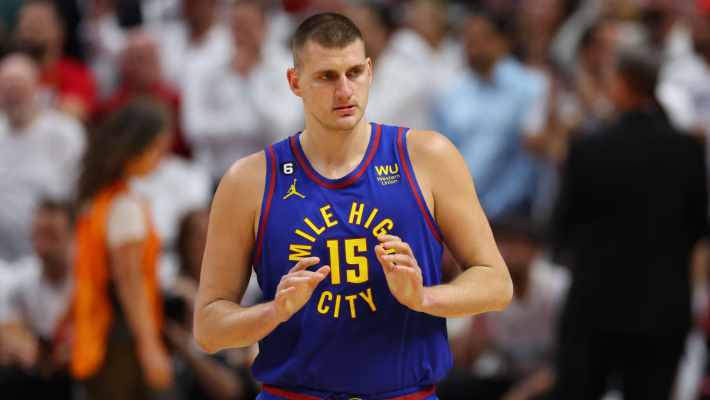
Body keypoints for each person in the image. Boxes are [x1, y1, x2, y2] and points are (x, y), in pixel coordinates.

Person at [193, 12, 513, 400]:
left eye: (354, 72)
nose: (344, 90)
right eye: (327, 76)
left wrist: (425, 297)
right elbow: (208, 329)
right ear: (295, 82)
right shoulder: (248, 180)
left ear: (370, 71)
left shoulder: (429, 156)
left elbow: (496, 283)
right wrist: (273, 311)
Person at [551, 46, 708, 400]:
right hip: (662, 307)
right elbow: (699, 227)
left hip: (594, 304)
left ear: (623, 84)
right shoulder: (688, 150)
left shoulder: (589, 148)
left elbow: (562, 228)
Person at [70, 100, 176, 400]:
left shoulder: (99, 199)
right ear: (136, 147)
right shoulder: (124, 206)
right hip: (121, 335)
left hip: (100, 329)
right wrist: (149, 345)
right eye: (157, 147)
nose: (161, 156)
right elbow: (129, 281)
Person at [435, 9, 549, 221]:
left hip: (511, 215)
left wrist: (492, 207)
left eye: (481, 36)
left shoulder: (531, 87)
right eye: (468, 37)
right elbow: (441, 155)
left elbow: (528, 159)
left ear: (504, 40)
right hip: (458, 212)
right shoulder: (452, 92)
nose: (472, 44)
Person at [0, 53, 86, 263]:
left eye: (19, 86)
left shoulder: (66, 133)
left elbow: (81, 195)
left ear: (37, 87)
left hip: (57, 257)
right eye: (7, 88)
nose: (14, 95)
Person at [0, 201, 75, 400]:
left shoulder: (86, 278)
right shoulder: (24, 277)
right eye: (38, 232)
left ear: (71, 234)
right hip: (39, 365)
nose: (44, 241)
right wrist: (19, 344)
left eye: (51, 233)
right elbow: (8, 323)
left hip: (78, 366)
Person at [13, 0, 97, 121]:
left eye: (38, 22)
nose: (29, 27)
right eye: (25, 21)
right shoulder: (6, 72)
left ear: (60, 31)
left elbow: (75, 112)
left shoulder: (76, 74)